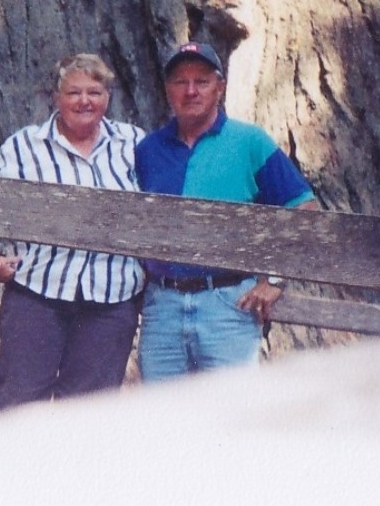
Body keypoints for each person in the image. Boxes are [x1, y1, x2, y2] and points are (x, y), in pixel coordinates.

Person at [0, 53, 147, 409]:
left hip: (112, 300)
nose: (84, 101)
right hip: (38, 295)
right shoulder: (25, 145)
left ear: (108, 97)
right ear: (56, 97)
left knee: (86, 413)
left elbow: (164, 205)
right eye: (74, 92)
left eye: (94, 92)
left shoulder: (133, 143)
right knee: (18, 405)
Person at [134, 41, 321, 378]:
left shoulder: (249, 142)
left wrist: (276, 279)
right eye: (180, 81)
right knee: (162, 409)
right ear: (167, 89)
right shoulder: (148, 149)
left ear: (219, 87)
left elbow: (305, 211)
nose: (191, 91)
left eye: (202, 81)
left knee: (232, 408)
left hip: (228, 303)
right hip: (163, 307)